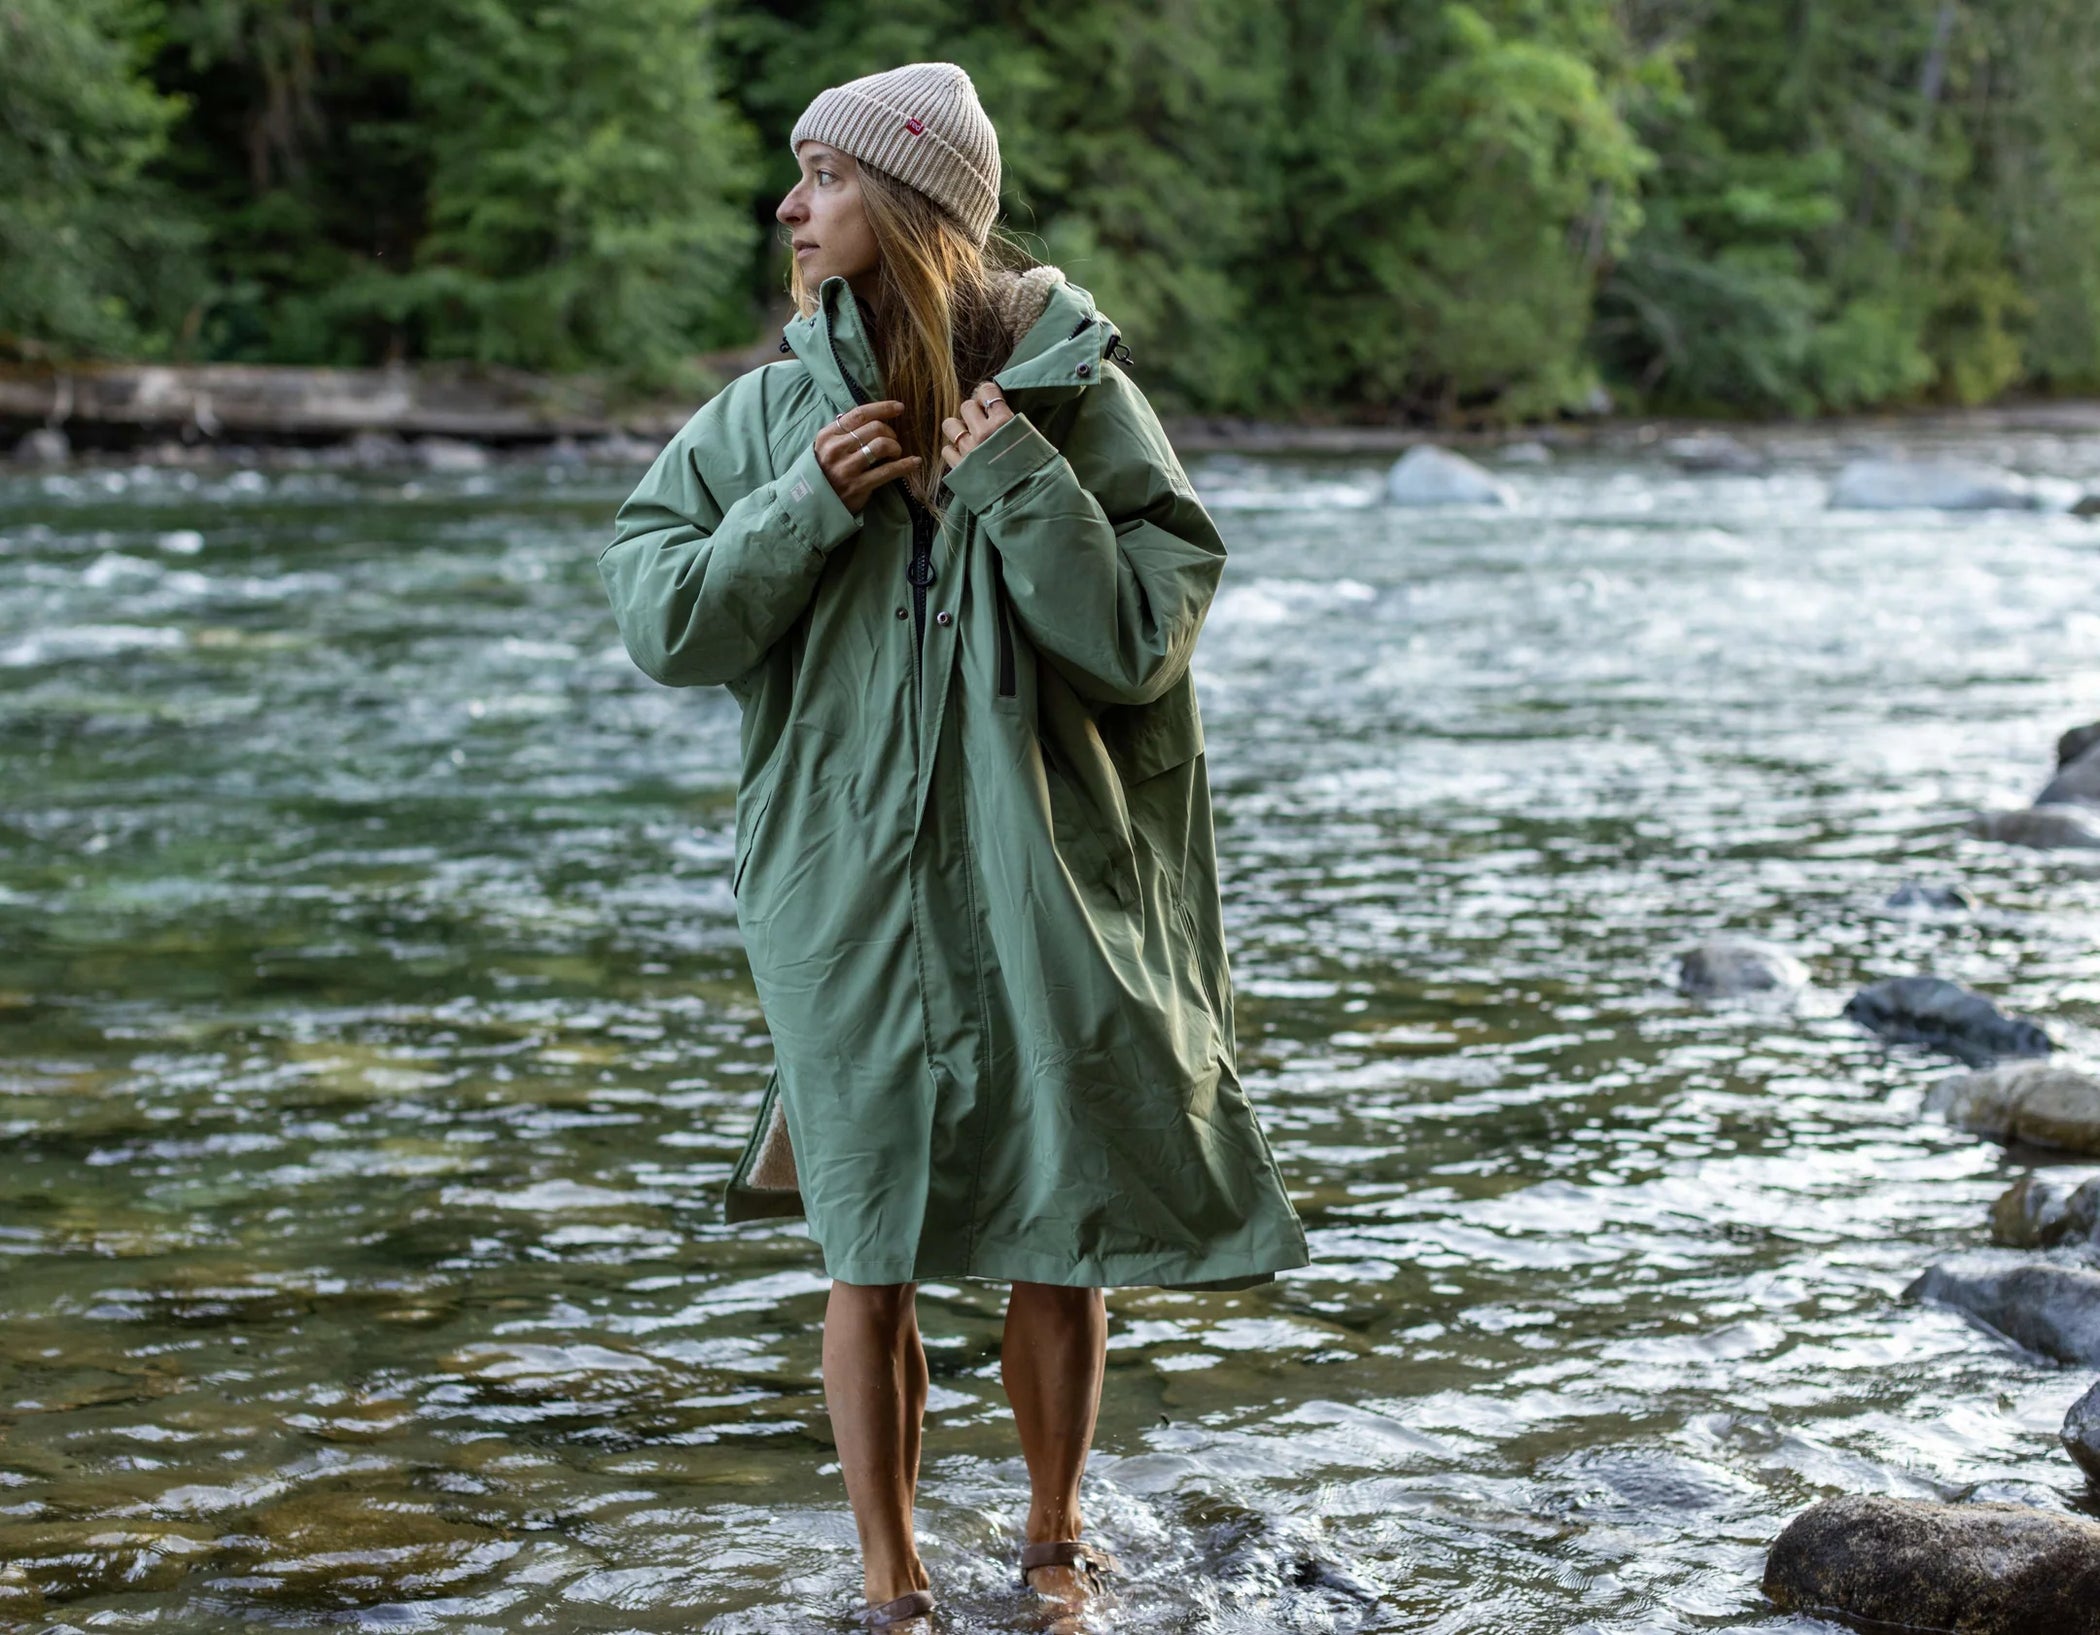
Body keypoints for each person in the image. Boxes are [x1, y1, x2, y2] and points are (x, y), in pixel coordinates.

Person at [597, 61, 1308, 1632]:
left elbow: (1139, 638)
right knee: (868, 1241)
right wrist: (797, 508)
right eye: (796, 178)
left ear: (909, 202)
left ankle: (1055, 1546)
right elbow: (658, 617)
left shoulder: (1081, 401)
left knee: (1059, 1220)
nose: (791, 207)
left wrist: (1015, 479)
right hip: (837, 884)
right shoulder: (771, 413)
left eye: (823, 178)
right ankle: (889, 1581)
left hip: (1040, 871)